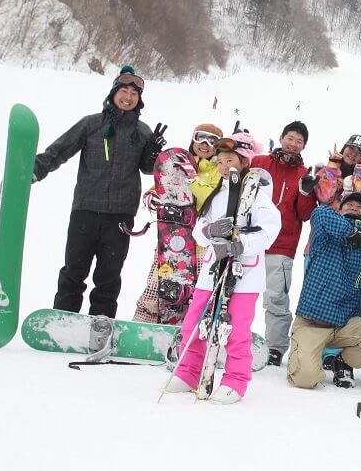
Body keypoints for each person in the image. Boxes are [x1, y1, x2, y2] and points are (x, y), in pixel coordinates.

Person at [32, 66, 165, 317]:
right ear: (113, 93)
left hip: (120, 217)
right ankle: (63, 321)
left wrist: (152, 153)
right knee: (74, 271)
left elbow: (148, 169)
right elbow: (60, 150)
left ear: (139, 100)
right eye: (123, 91)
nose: (128, 97)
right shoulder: (91, 124)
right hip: (85, 210)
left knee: (108, 277)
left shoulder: (143, 132)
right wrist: (34, 170)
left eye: (134, 94)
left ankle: (100, 326)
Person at [163, 133, 280, 404]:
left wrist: (241, 244)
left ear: (244, 161)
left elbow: (269, 232)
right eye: (221, 161)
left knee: (235, 328)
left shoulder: (258, 195)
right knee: (195, 322)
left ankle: (236, 380)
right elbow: (198, 232)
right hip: (212, 271)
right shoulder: (218, 193)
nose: (225, 166)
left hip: (244, 275)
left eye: (231, 160)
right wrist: (210, 231)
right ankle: (188, 371)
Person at [287, 192, 361, 389]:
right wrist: (351, 233)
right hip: (312, 323)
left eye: (359, 207)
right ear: (339, 210)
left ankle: (342, 363)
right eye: (349, 205)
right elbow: (320, 213)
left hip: (344, 326)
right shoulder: (324, 234)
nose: (354, 208)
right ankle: (306, 358)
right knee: (305, 379)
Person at [131, 123, 223, 323]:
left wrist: (193, 178)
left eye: (212, 140)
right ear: (193, 139)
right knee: (158, 282)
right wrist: (151, 196)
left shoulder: (219, 170)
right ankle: (144, 321)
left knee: (194, 287)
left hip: (200, 242)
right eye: (201, 138)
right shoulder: (177, 162)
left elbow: (207, 196)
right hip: (172, 237)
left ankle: (190, 326)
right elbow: (163, 184)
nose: (205, 144)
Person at [250, 121, 317, 366]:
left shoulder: (302, 174)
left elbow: (304, 214)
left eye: (299, 141)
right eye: (290, 138)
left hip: (281, 245)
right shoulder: (259, 163)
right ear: (281, 138)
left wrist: (307, 193)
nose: (293, 143)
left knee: (276, 298)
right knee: (237, 294)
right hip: (249, 242)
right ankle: (230, 338)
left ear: (304, 146)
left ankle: (275, 348)